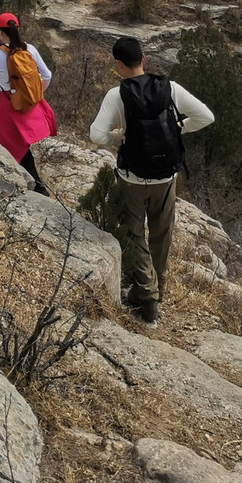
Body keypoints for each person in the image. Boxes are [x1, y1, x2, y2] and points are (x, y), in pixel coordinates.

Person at [89, 35, 214, 324]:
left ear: (119, 65)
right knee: (161, 234)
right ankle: (160, 288)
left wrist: (117, 137)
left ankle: (147, 297)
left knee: (134, 234)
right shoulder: (170, 88)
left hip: (132, 178)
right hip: (165, 177)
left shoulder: (116, 95)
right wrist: (178, 127)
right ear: (143, 58)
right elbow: (206, 116)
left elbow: (95, 136)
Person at [0, 13, 57, 194]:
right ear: (17, 29)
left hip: (8, 105)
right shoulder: (29, 49)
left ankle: (26, 185)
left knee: (5, 146)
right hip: (29, 105)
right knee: (23, 146)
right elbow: (47, 75)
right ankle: (36, 184)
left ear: (0, 31)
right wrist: (34, 94)